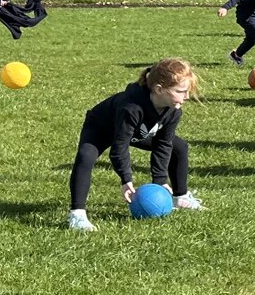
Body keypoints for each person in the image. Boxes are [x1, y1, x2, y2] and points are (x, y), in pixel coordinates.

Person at [67, 58, 203, 231]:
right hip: (101, 127)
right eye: (181, 91)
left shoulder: (173, 110)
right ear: (159, 89)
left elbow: (163, 144)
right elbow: (119, 147)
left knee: (179, 147)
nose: (187, 97)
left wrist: (160, 180)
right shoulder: (131, 107)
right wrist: (126, 180)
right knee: (85, 156)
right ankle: (77, 215)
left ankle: (180, 197)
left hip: (137, 131)